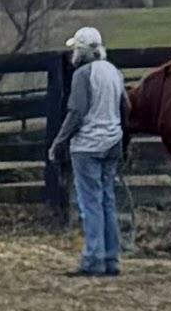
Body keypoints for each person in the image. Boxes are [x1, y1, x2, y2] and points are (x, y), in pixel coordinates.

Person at [46, 24, 128, 277]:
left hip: (87, 146)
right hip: (112, 140)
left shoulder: (83, 75)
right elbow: (125, 106)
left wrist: (59, 141)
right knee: (107, 200)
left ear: (80, 51)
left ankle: (93, 259)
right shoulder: (114, 72)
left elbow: (77, 112)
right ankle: (112, 257)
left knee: (90, 202)